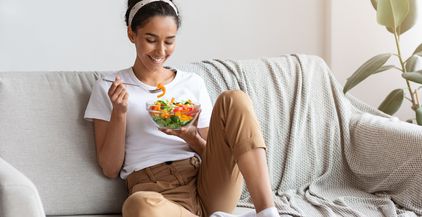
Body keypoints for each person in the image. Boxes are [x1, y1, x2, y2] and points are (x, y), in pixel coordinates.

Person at [84, 1, 280, 217]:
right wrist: (119, 113)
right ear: (132, 34)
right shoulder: (110, 86)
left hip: (207, 183)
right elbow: (110, 169)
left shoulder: (192, 82)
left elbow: (214, 154)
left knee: (235, 98)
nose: (160, 51)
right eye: (151, 40)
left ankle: (268, 213)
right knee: (137, 205)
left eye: (169, 41)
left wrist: (191, 136)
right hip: (155, 192)